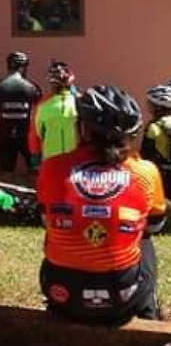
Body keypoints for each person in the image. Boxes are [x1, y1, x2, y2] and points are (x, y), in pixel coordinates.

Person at [38, 86, 166, 325]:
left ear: (82, 128)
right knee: (144, 238)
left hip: (61, 292)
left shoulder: (52, 167)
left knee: (55, 230)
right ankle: (149, 313)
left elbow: (45, 219)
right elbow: (156, 225)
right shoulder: (146, 172)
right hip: (123, 296)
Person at [0, 52, 42, 178]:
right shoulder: (33, 88)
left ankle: (9, 196)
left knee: (6, 171)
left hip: (5, 133)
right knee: (35, 171)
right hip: (26, 134)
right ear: (23, 67)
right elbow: (40, 113)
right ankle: (33, 195)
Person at [29, 61, 79, 168]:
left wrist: (35, 155)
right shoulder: (80, 103)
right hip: (76, 161)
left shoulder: (43, 106)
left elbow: (35, 135)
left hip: (51, 161)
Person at [141, 85, 171, 192]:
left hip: (163, 177)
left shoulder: (154, 127)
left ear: (157, 106)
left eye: (150, 104)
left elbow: (146, 155)